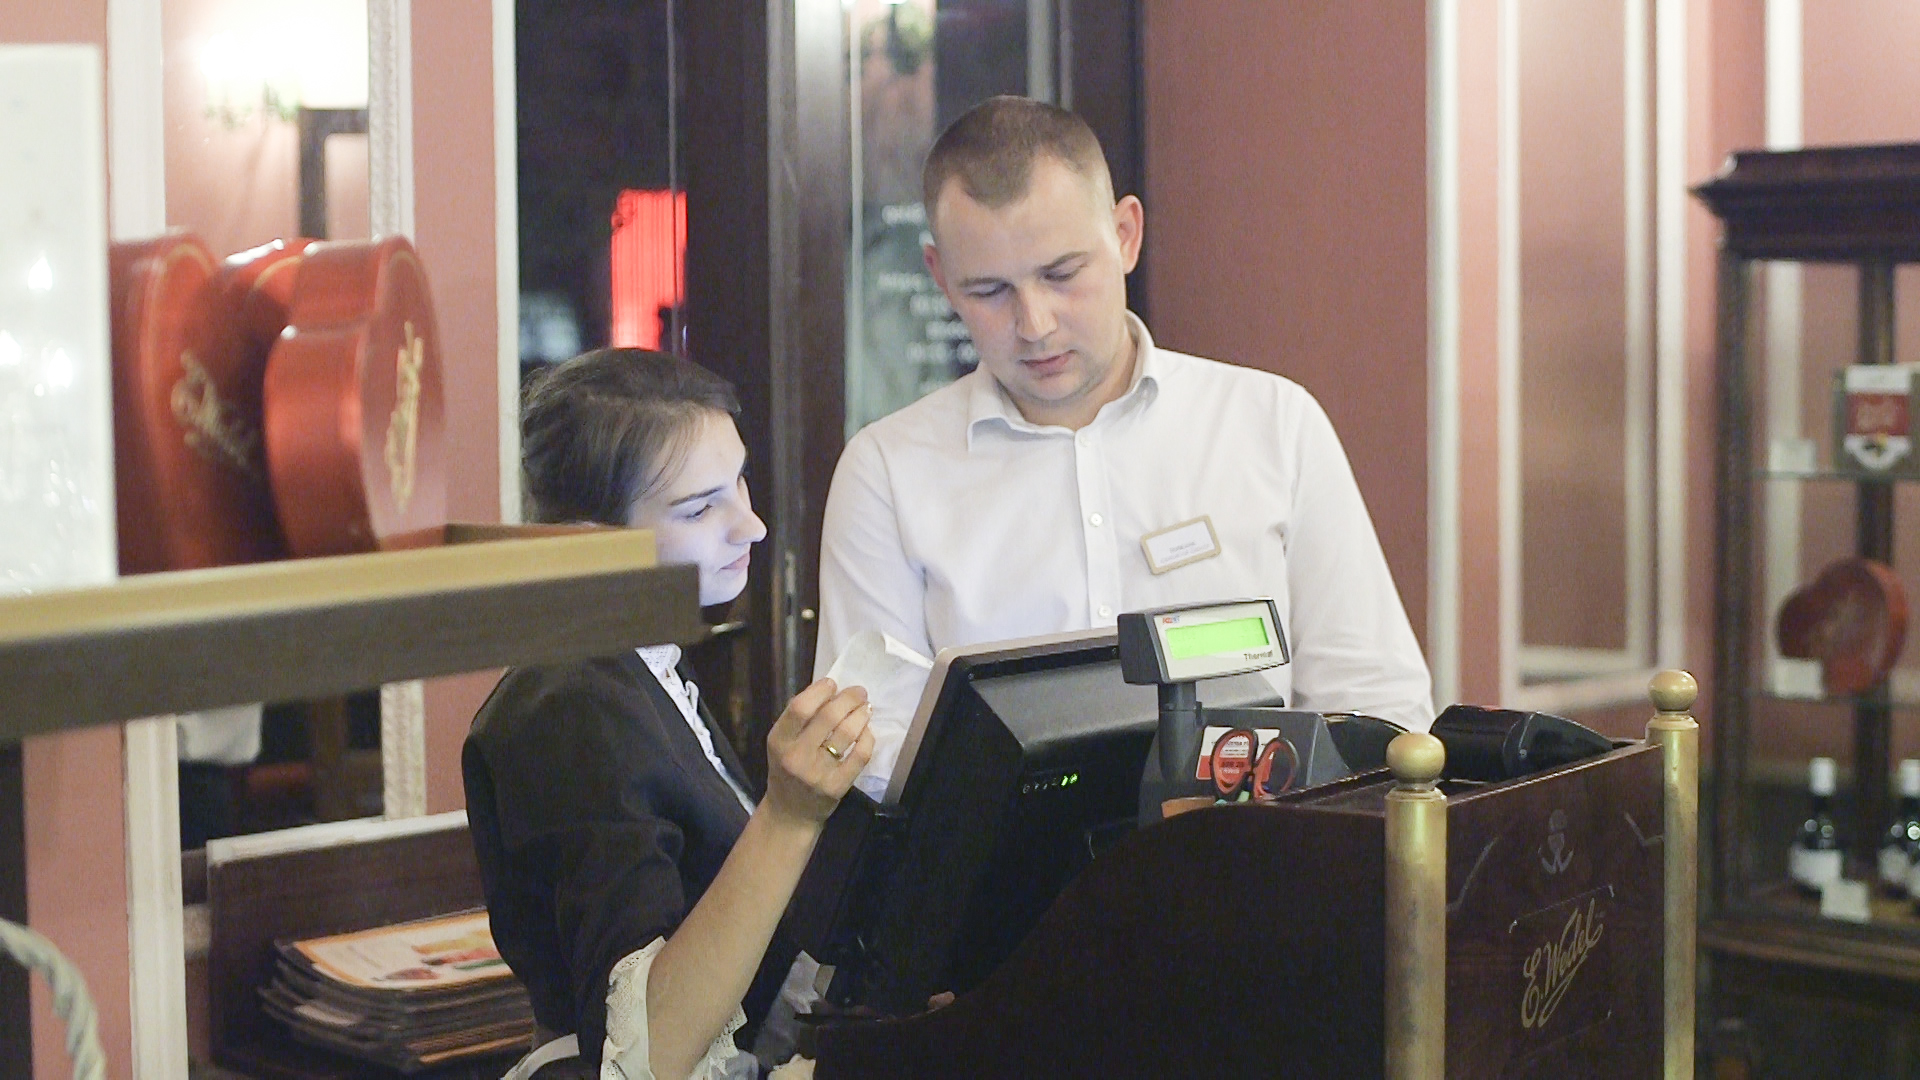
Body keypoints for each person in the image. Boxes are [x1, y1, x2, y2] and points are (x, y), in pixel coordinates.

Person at [814, 96, 1434, 732]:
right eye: (989, 291)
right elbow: (875, 746)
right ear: (941, 278)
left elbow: (1377, 707)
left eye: (1062, 274)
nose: (1035, 324)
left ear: (1125, 235)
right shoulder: (888, 472)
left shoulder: (1273, 426)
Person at [466, 349, 870, 1080]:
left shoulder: (641, 663)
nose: (751, 526)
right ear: (590, 541)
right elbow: (643, 1053)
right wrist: (789, 815)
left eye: (739, 481)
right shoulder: (570, 706)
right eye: (699, 507)